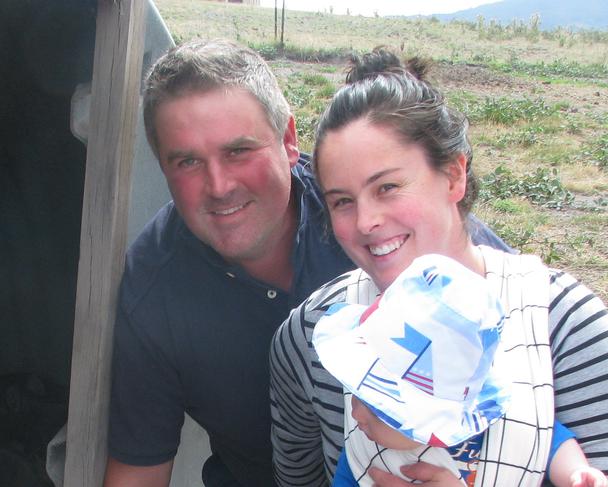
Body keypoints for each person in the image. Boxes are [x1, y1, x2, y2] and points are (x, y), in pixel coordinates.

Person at [103, 39, 512, 487]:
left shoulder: (371, 220)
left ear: (289, 140)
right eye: (187, 161)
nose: (219, 185)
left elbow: (530, 346)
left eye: (239, 150)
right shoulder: (153, 287)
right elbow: (138, 469)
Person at [269, 49, 608, 486]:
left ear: (454, 175)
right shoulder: (309, 337)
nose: (366, 221)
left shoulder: (564, 323)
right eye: (342, 202)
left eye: (388, 187)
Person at [313, 254, 608, 487]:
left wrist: (576, 472)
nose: (355, 414)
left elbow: (549, 439)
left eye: (379, 408)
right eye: (357, 392)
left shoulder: (496, 423)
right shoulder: (363, 448)